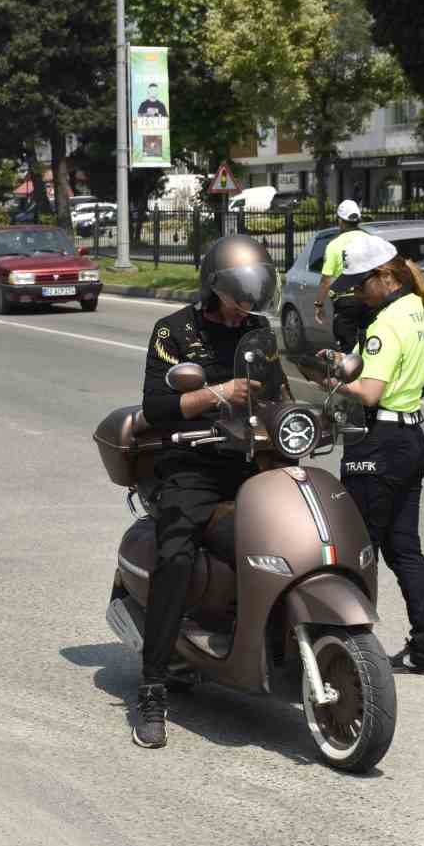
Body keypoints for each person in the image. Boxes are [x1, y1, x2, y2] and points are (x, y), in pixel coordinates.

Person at [133, 234, 278, 748]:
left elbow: (279, 392)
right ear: (216, 287)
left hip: (252, 460)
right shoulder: (174, 331)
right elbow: (155, 407)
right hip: (191, 464)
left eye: (254, 297)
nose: (245, 310)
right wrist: (218, 394)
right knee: (175, 554)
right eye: (240, 297)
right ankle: (152, 686)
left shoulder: (259, 331)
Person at [325, 231, 424, 677]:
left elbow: (370, 392)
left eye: (360, 285)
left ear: (384, 277)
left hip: (378, 443)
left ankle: (351, 655)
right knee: (404, 548)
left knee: (360, 550)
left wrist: (331, 380)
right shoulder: (415, 309)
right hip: (410, 439)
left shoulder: (385, 324)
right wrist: (344, 361)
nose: (357, 294)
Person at [314, 200, 370, 350]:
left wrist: (319, 304)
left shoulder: (334, 245)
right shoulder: (370, 240)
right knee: (370, 344)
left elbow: (326, 280)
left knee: (347, 348)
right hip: (370, 298)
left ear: (340, 221)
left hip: (346, 302)